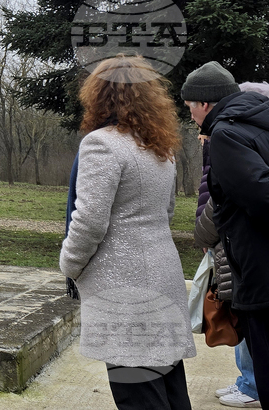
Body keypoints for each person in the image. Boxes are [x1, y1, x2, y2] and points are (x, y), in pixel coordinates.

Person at [60, 55, 194, 410]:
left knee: (138, 393)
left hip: (123, 288)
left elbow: (89, 221)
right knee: (169, 383)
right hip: (162, 272)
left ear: (98, 95)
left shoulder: (101, 144)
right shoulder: (159, 147)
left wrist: (69, 265)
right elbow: (166, 212)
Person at [187, 63, 269, 402]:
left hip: (260, 271)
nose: (189, 112)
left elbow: (261, 194)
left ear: (205, 103)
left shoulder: (226, 134)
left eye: (189, 104)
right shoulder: (258, 123)